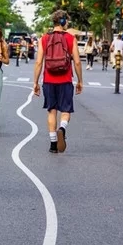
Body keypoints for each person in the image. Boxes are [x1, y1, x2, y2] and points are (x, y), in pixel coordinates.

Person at [33, 10, 83, 154]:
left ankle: (53, 144)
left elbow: (38, 62)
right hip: (65, 80)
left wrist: (35, 83)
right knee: (66, 111)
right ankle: (62, 128)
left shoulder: (44, 38)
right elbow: (78, 62)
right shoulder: (70, 38)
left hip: (49, 80)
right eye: (67, 21)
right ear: (63, 22)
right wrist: (80, 81)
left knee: (51, 111)